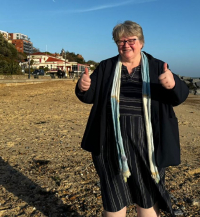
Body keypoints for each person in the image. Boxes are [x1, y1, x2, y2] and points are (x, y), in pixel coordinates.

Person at [75, 20, 189, 217]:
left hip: (149, 144)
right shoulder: (106, 67)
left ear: (142, 43)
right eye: (121, 41)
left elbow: (180, 96)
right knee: (113, 197)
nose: (126, 45)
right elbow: (89, 95)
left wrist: (172, 84)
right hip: (109, 144)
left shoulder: (157, 67)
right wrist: (82, 86)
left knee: (146, 197)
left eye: (131, 40)